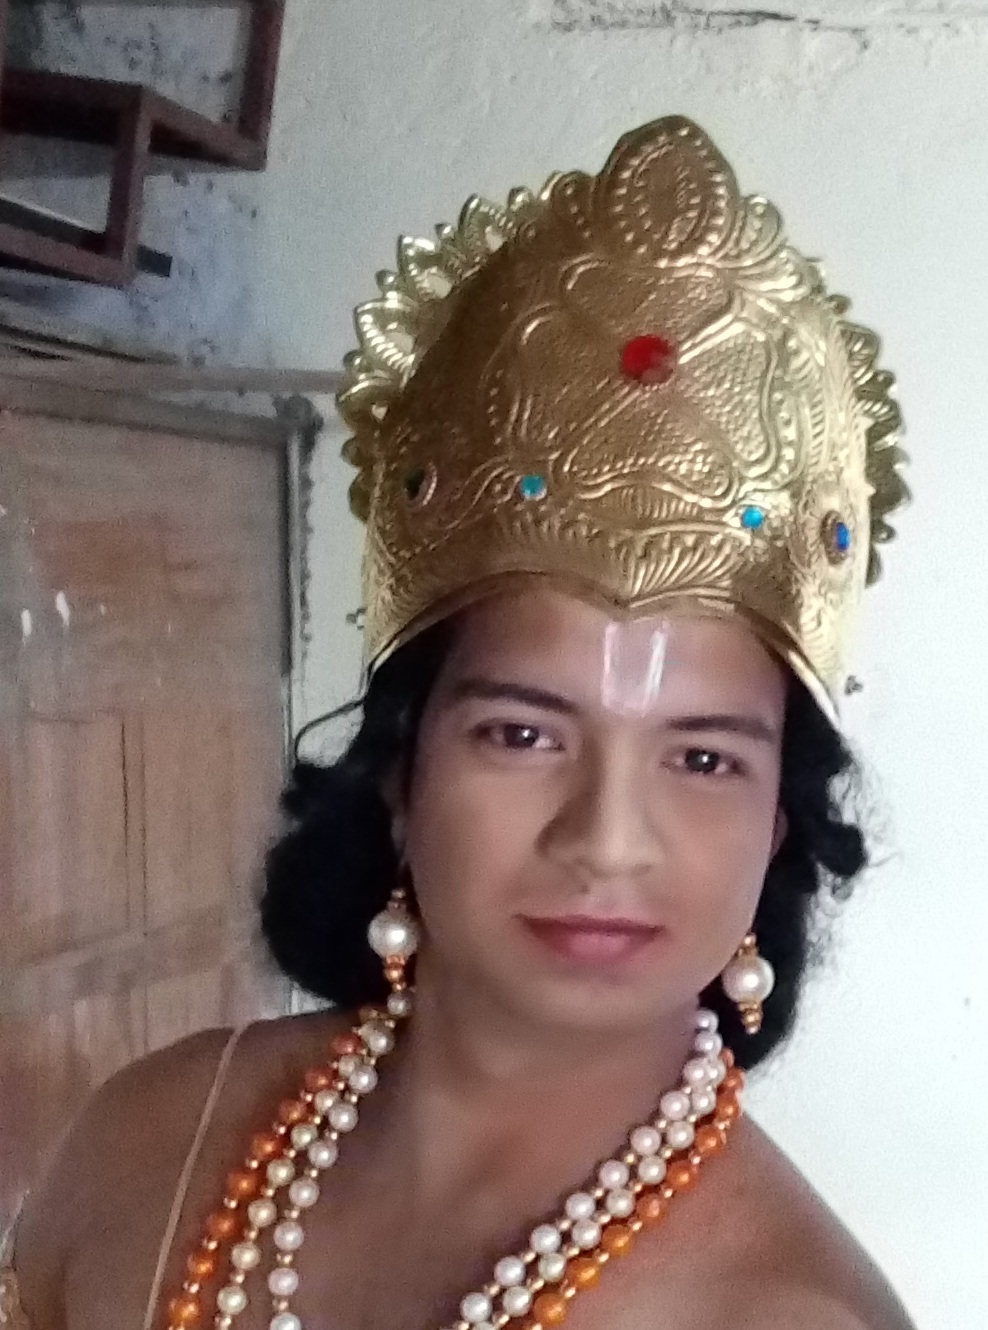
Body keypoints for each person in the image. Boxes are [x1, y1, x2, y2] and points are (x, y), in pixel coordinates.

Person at [3, 116, 915, 1330]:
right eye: (523, 734)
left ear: (777, 824)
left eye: (702, 757)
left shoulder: (791, 1313)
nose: (605, 838)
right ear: (400, 770)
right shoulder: (152, 1132)